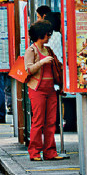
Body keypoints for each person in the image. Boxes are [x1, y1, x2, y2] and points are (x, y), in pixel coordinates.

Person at [25, 20, 65, 161]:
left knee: (51, 122)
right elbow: (28, 69)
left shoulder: (48, 50)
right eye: (47, 34)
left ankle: (50, 152)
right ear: (41, 34)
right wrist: (41, 62)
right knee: (38, 121)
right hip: (37, 90)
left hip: (50, 90)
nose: (49, 37)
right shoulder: (31, 50)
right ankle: (34, 152)